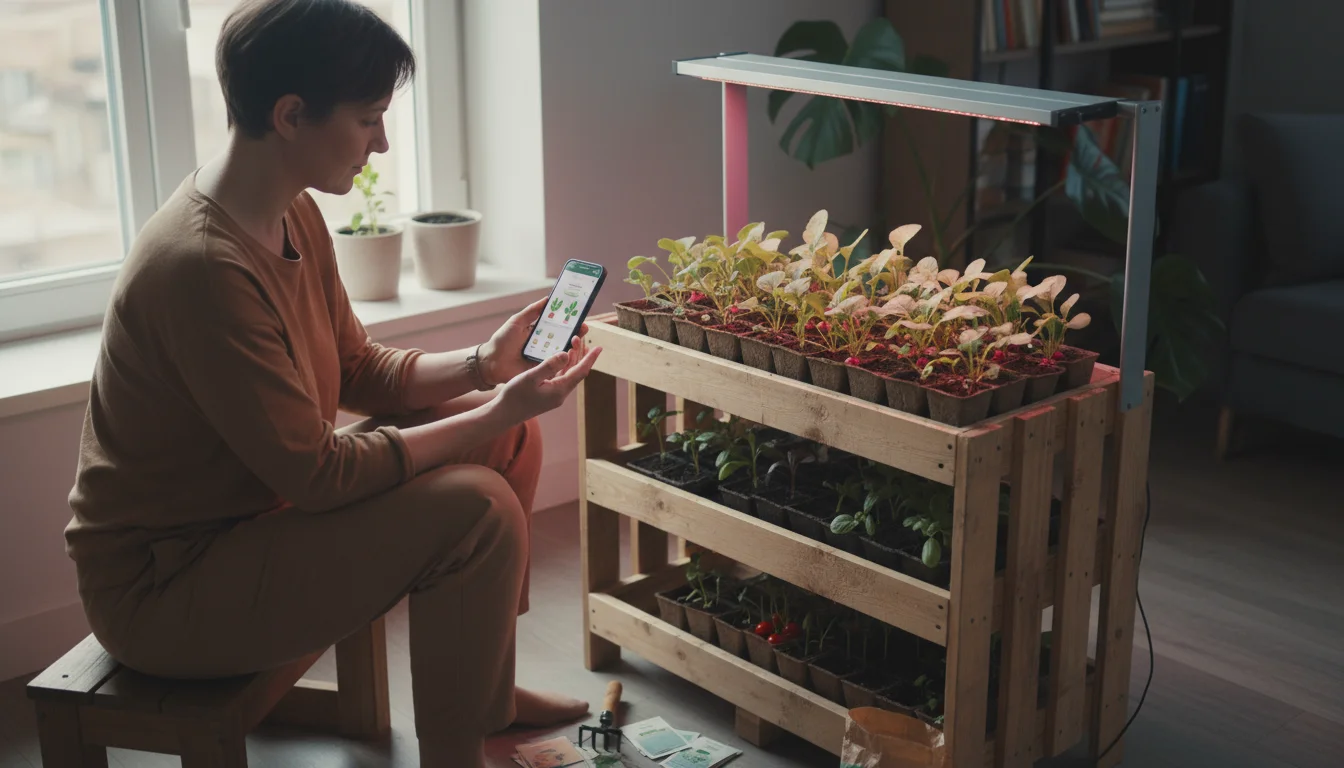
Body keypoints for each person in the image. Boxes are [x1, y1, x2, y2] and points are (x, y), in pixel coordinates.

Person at [64, 0, 602, 764]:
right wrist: (487, 411)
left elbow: (356, 368)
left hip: (253, 517)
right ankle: (455, 755)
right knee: (474, 506)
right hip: (166, 586)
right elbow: (317, 474)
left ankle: (487, 695)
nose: (382, 142)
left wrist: (486, 368)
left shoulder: (289, 213)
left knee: (509, 432)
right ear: (290, 115)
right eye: (368, 118)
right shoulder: (203, 268)